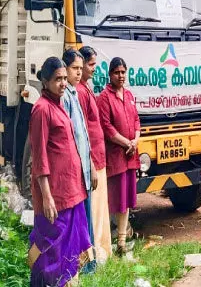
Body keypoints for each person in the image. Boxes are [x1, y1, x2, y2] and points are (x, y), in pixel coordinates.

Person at [28, 57, 91, 287]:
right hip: (55, 195)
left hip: (71, 191)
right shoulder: (41, 109)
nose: (63, 83)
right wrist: (46, 196)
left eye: (65, 78)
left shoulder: (59, 104)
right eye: (58, 79)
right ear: (45, 82)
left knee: (71, 247)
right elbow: (39, 157)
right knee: (50, 248)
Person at [97, 57, 140, 256]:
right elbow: (106, 127)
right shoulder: (104, 98)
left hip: (130, 155)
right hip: (116, 156)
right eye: (117, 72)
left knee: (127, 198)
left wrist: (135, 141)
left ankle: (122, 241)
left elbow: (136, 120)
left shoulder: (129, 95)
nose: (121, 76)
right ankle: (106, 241)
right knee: (114, 199)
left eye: (123, 72)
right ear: (110, 74)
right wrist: (126, 143)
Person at [61, 49, 97, 273]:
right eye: (74, 68)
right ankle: (82, 267)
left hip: (85, 168)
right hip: (75, 171)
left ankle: (89, 263)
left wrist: (90, 164)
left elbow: (83, 136)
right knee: (78, 222)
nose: (78, 72)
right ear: (64, 69)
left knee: (86, 219)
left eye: (79, 68)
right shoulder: (65, 97)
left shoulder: (74, 93)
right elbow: (69, 139)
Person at [79, 46, 111, 263]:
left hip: (98, 156)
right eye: (91, 64)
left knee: (100, 207)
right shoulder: (80, 92)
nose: (94, 69)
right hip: (93, 158)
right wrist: (89, 160)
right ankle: (97, 251)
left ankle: (102, 250)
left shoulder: (86, 88)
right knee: (95, 209)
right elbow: (81, 130)